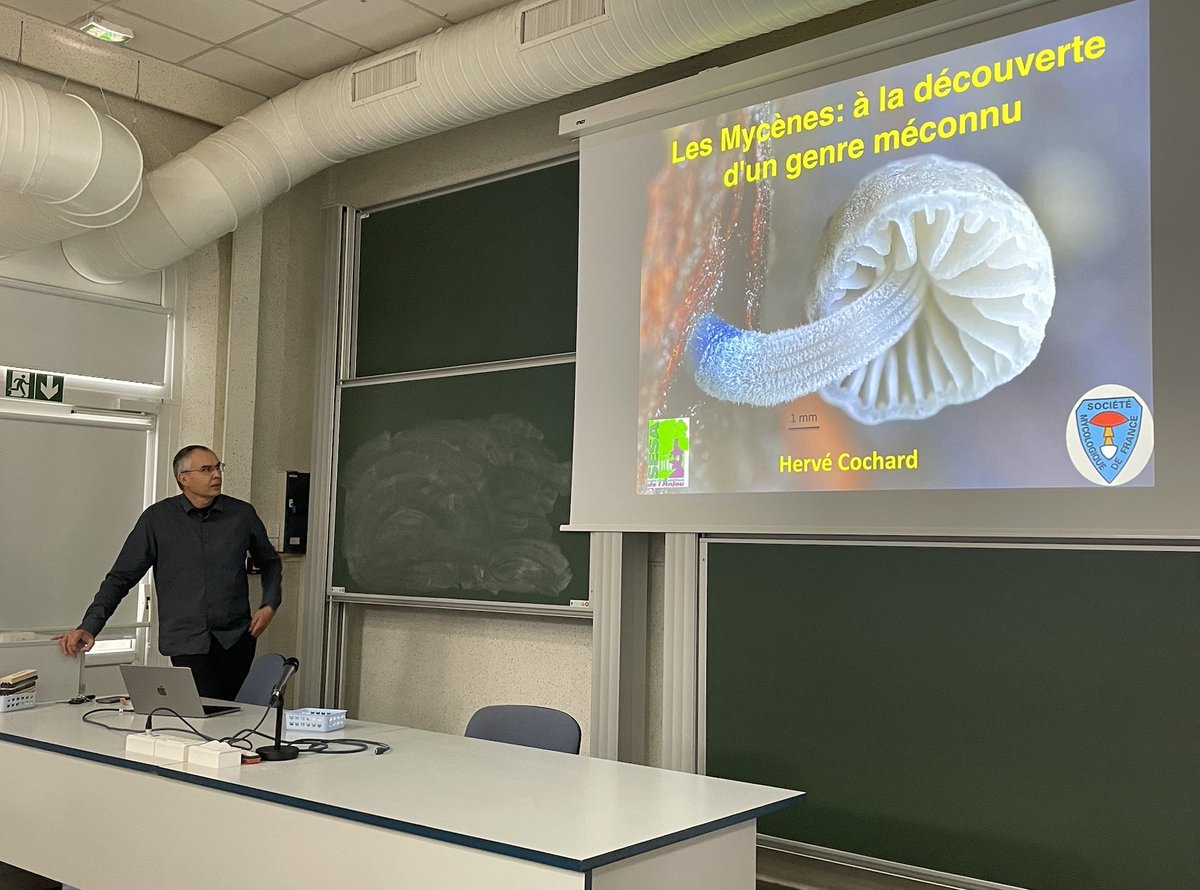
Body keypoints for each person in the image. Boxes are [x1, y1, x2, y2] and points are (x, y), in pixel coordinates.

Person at [55, 445, 282, 700]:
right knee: (204, 710)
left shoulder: (241, 515)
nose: (216, 475)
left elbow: (270, 562)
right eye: (207, 469)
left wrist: (269, 604)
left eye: (218, 467)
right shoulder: (157, 520)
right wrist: (90, 626)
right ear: (183, 478)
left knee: (228, 711)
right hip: (186, 640)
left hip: (236, 638)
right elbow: (120, 578)